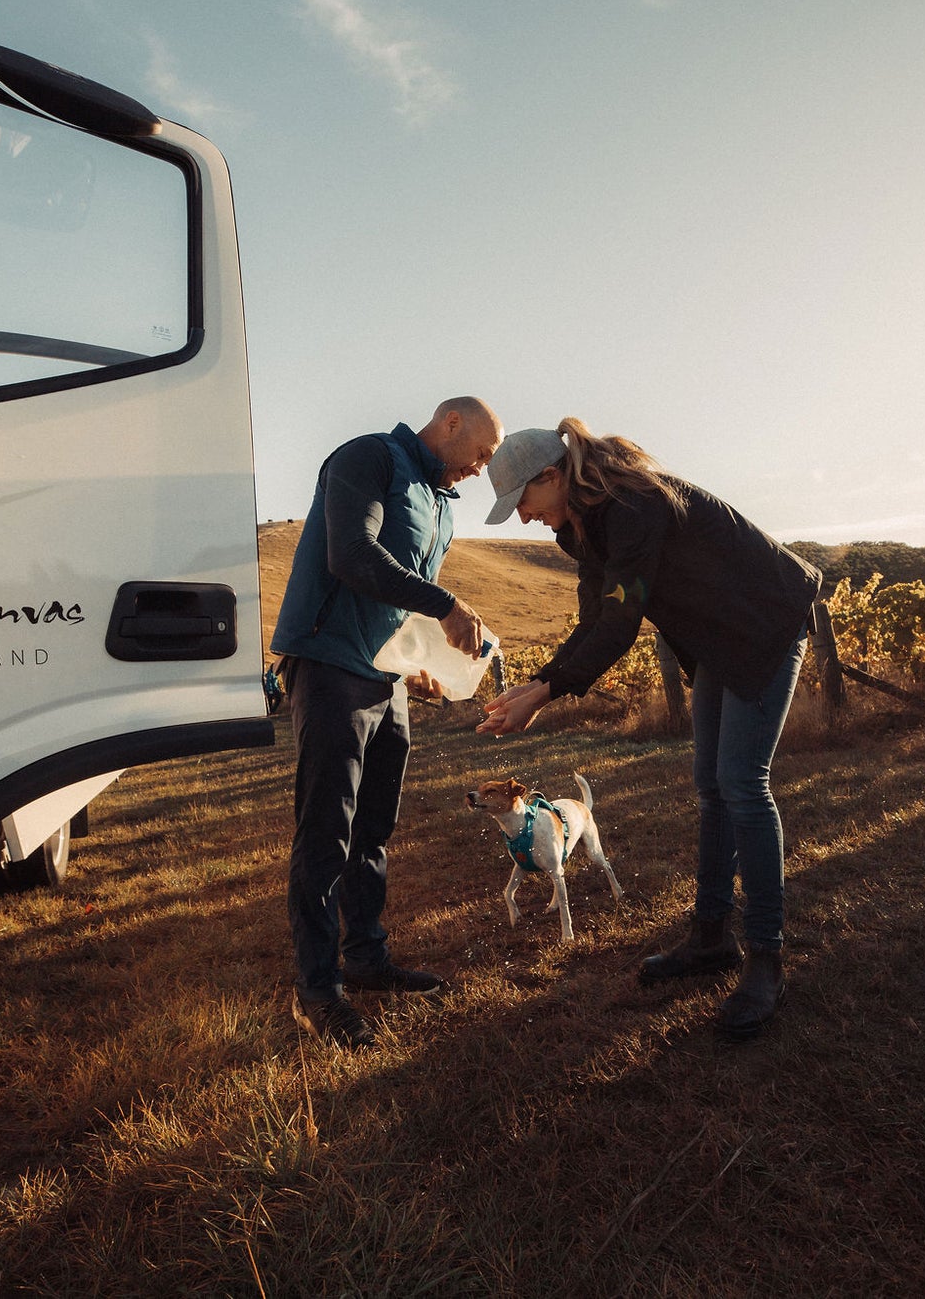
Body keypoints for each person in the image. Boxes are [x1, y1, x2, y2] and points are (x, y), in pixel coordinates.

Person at [476, 419, 822, 1040]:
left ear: (552, 477)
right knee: (711, 786)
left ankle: (766, 958)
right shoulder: (582, 529)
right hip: (716, 639)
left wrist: (549, 692)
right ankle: (711, 939)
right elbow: (591, 618)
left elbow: (620, 616)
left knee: (743, 782)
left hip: (767, 619)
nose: (524, 518)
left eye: (522, 501)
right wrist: (536, 684)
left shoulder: (634, 504)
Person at [271, 396, 504, 1049]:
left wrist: (424, 659)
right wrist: (448, 603)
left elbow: (398, 599)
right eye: (482, 453)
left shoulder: (440, 504)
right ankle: (320, 990)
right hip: (329, 663)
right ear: (450, 422)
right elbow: (351, 555)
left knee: (374, 828)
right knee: (327, 832)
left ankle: (367, 959)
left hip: (385, 675)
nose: (481, 469)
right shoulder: (368, 457)